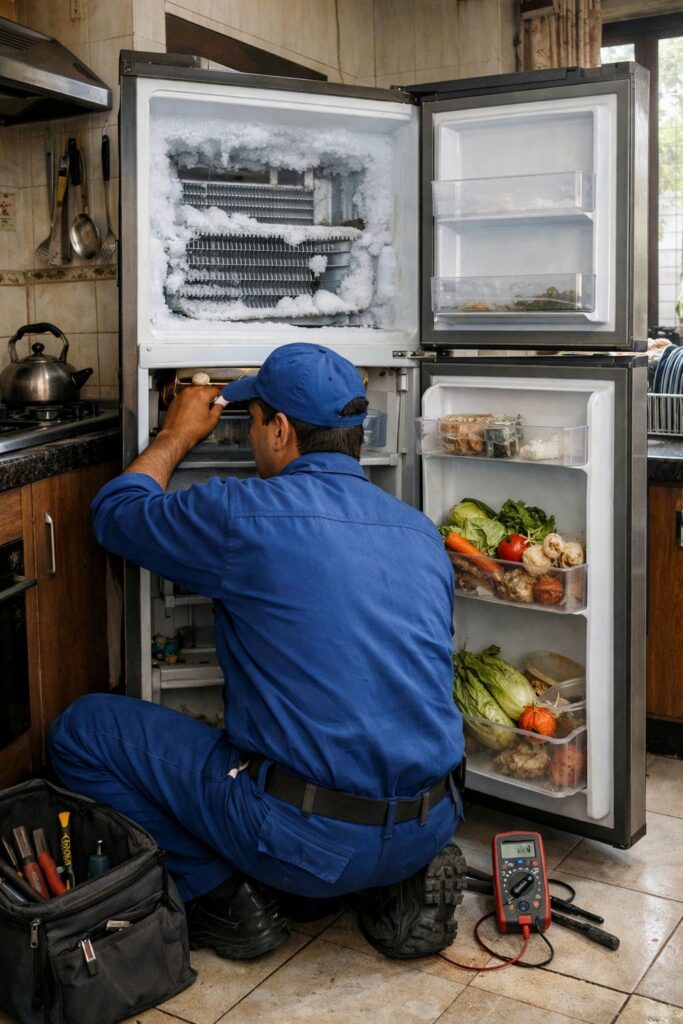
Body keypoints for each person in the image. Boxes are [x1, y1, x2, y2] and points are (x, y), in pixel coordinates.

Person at [49, 342, 466, 962]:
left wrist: (176, 434)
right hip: (432, 820)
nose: (247, 435)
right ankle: (395, 882)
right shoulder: (421, 532)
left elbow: (116, 513)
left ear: (280, 429)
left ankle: (227, 899)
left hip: (305, 840)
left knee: (81, 732)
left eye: (252, 420)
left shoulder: (245, 514)